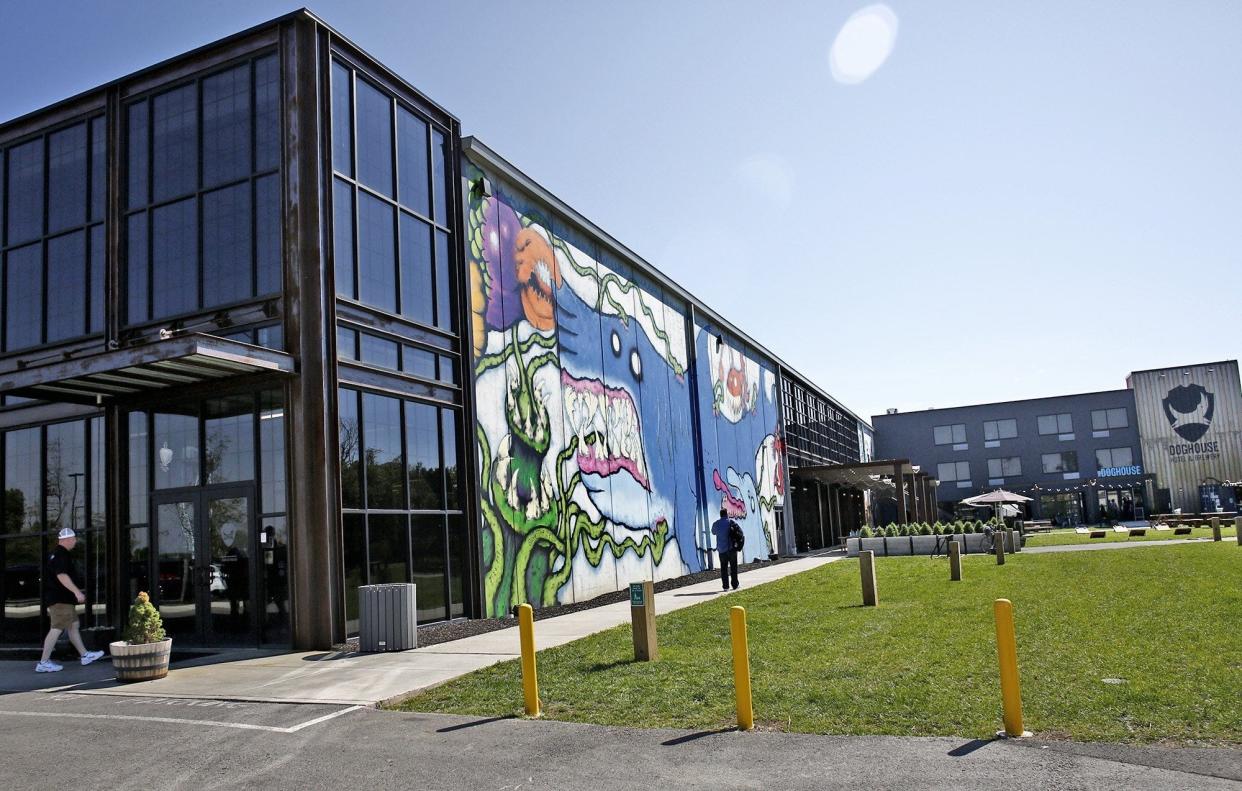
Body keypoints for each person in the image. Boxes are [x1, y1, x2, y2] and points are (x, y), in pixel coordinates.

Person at [36, 528, 105, 673]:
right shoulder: (62, 554)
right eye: (73, 539)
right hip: (60, 599)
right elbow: (61, 576)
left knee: (73, 625)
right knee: (57, 628)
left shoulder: (55, 554)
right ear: (66, 540)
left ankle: (84, 655)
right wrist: (77, 592)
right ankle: (43, 662)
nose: (75, 542)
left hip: (61, 599)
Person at [710, 508, 740, 591]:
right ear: (727, 514)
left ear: (720, 515)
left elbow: (713, 532)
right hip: (731, 549)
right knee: (733, 568)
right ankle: (735, 585)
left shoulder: (716, 524)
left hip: (722, 550)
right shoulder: (731, 522)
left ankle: (726, 586)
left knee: (724, 569)